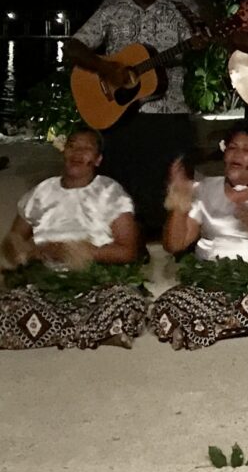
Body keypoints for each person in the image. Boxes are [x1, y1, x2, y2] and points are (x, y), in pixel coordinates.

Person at [66, 0, 198, 235]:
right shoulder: (112, 13)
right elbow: (74, 47)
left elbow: (195, 45)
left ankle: (172, 237)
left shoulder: (175, 13)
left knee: (174, 172)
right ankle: (125, 237)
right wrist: (106, 67)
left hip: (168, 108)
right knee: (121, 179)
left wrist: (201, 43)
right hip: (122, 110)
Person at [153, 124, 248, 349]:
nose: (237, 154)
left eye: (246, 150)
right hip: (211, 285)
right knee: (166, 305)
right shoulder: (205, 188)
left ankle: (208, 329)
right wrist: (180, 201)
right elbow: (174, 245)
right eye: (232, 147)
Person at [0, 127, 146, 349]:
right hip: (44, 281)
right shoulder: (42, 192)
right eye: (73, 146)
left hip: (94, 281)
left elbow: (127, 251)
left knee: (125, 301)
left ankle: (49, 330)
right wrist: (27, 252)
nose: (78, 153)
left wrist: (79, 251)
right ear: (63, 151)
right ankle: (79, 331)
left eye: (86, 149)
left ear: (97, 160)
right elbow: (12, 241)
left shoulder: (110, 192)